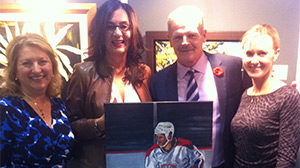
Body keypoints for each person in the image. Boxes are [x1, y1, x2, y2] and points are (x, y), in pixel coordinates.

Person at [149, 6, 252, 168]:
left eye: (191, 35)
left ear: (204, 35)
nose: (185, 42)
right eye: (178, 37)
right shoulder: (158, 82)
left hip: (223, 163)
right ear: (169, 39)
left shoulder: (234, 68)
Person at [65, 0, 152, 167]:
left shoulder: (144, 73)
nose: (118, 33)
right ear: (100, 32)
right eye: (110, 26)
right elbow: (70, 125)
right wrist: (99, 125)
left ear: (132, 31)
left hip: (138, 161)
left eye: (124, 26)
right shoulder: (83, 73)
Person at [0, 33, 75, 167]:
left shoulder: (58, 105)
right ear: (15, 71)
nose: (36, 69)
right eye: (27, 63)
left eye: (42, 62)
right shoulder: (5, 110)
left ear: (52, 66)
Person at [230, 24, 300, 167]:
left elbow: (286, 160)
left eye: (262, 53)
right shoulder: (245, 94)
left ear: (276, 53)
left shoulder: (288, 96)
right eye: (249, 53)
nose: (254, 60)